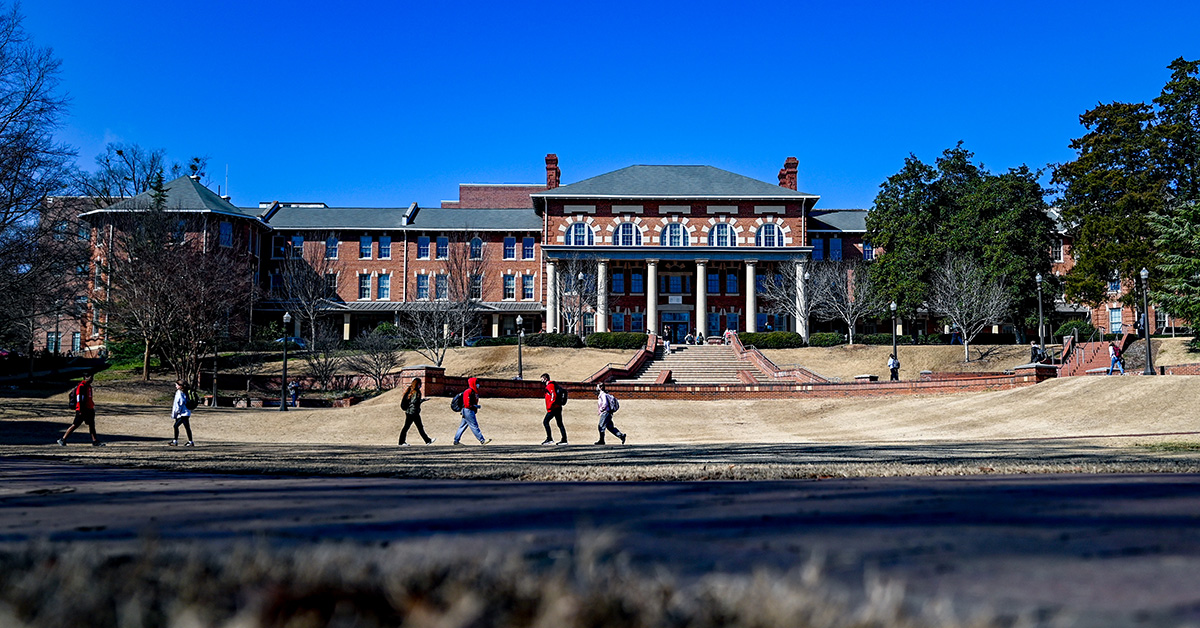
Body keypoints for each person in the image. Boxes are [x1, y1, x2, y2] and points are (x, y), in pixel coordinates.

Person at [58, 373, 104, 446]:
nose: (91, 379)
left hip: (89, 409)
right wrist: (80, 410)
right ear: (85, 377)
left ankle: (95, 441)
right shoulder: (81, 386)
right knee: (75, 425)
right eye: (90, 377)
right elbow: (79, 399)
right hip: (82, 409)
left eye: (92, 377)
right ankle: (63, 439)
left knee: (92, 425)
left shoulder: (89, 386)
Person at [453, 377, 491, 445]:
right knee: (474, 425)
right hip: (468, 410)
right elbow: (467, 404)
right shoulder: (469, 391)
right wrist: (475, 406)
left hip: (468, 410)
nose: (478, 385)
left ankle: (456, 440)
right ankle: (482, 440)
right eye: (477, 383)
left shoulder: (474, 392)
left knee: (463, 426)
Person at [399, 378, 435, 446]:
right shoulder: (416, 392)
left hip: (410, 412)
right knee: (413, 427)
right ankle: (402, 442)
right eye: (420, 383)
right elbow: (414, 402)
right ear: (417, 384)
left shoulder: (410, 390)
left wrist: (422, 400)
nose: (421, 385)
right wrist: (421, 401)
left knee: (412, 427)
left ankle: (427, 440)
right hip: (413, 412)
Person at [540, 373, 568, 445]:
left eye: (542, 378)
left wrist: (550, 405)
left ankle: (549, 438)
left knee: (545, 422)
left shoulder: (550, 385)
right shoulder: (552, 385)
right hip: (557, 407)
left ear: (545, 378)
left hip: (553, 408)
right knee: (560, 424)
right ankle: (564, 440)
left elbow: (553, 395)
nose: (541, 380)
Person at [169, 380, 195, 446]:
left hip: (182, 413)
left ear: (180, 386)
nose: (175, 386)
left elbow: (178, 404)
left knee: (176, 426)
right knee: (186, 427)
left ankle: (176, 441)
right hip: (186, 412)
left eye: (177, 385)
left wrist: (175, 413)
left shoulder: (179, 393)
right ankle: (189, 441)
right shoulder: (185, 392)